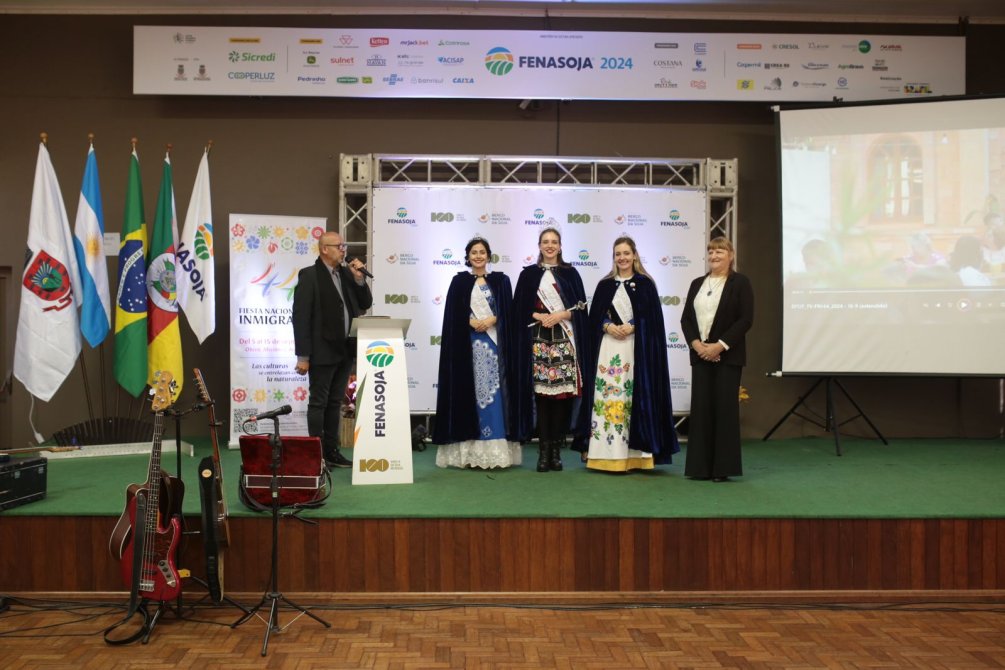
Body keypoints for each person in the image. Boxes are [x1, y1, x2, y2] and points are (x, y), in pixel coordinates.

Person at [578, 236, 679, 472]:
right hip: (608, 349)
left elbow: (653, 320)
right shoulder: (605, 285)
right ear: (613, 257)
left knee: (631, 397)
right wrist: (606, 326)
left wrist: (633, 326)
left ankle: (635, 456)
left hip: (635, 350)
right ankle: (603, 454)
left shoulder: (645, 284)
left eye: (626, 253)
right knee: (607, 396)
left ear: (634, 255)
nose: (622, 258)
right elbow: (594, 319)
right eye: (618, 254)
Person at [432, 236, 521, 469]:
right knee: (470, 394)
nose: (478, 256)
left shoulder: (501, 281)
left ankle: (495, 449)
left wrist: (493, 319)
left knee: (494, 395)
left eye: (482, 252)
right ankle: (470, 451)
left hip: (494, 345)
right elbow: (453, 314)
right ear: (468, 257)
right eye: (474, 252)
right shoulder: (459, 282)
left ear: (488, 256)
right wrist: (470, 321)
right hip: (468, 346)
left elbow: (509, 312)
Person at [511, 227, 591, 472]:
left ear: (560, 246)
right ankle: (543, 452)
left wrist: (561, 315)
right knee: (542, 398)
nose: (549, 245)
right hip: (538, 342)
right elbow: (517, 308)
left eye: (554, 241)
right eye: (545, 241)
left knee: (561, 398)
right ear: (539, 246)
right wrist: (537, 315)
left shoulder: (570, 274)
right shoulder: (528, 275)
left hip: (564, 341)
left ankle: (556, 452)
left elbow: (581, 310)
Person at [292, 231, 373, 468]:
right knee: (319, 402)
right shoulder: (310, 275)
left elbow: (365, 303)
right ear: (324, 249)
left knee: (335, 402)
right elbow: (301, 318)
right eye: (338, 246)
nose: (343, 250)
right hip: (321, 350)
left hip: (345, 349)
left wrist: (359, 279)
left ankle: (331, 451)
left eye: (343, 245)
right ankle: (316, 455)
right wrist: (303, 356)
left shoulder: (347, 274)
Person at [680, 236, 754, 482]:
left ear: (730, 256)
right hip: (700, 355)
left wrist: (719, 346)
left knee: (724, 411)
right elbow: (686, 319)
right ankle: (699, 469)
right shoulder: (697, 283)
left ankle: (722, 469)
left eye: (720, 251)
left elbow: (745, 319)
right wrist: (697, 345)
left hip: (728, 358)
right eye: (711, 251)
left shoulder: (740, 283)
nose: (714, 256)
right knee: (701, 412)